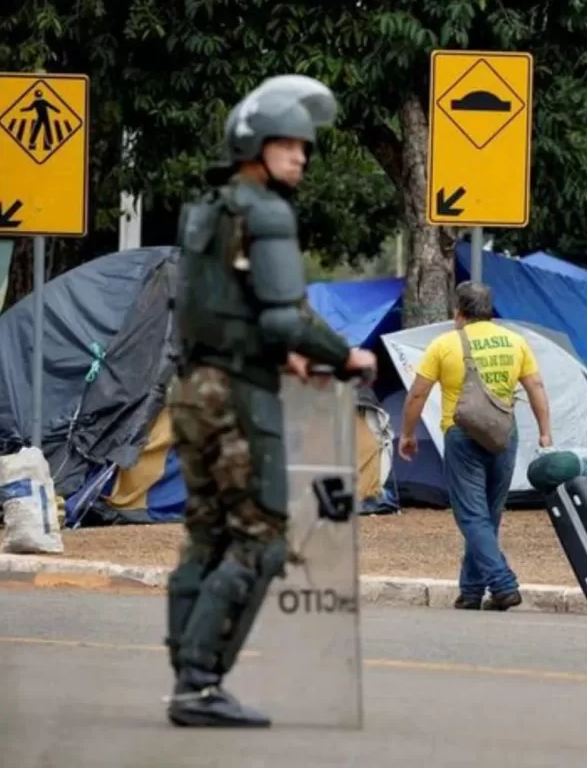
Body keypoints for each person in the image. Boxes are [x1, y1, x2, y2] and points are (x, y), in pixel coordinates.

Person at [164, 74, 377, 727]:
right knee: (261, 539)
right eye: (290, 145)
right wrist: (345, 354)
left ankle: (187, 674)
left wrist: (281, 350)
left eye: (305, 148)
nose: (302, 157)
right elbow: (284, 317)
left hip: (194, 388)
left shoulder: (208, 207)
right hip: (236, 398)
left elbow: (223, 307)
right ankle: (201, 684)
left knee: (206, 536)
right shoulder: (268, 211)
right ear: (255, 145)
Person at [397, 282, 552, 611]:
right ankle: (470, 592)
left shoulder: (445, 345)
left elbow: (418, 394)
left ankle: (503, 584)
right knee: (487, 515)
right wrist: (544, 431)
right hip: (504, 434)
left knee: (471, 515)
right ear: (490, 311)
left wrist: (407, 434)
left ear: (459, 312)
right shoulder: (515, 342)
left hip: (461, 434)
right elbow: (535, 385)